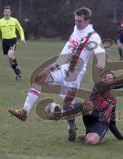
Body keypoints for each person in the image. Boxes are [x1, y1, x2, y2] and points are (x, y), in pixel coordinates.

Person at [8, 7, 106, 141]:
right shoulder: (76, 28)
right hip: (61, 66)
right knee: (39, 77)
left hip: (74, 74)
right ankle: (24, 112)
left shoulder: (93, 36)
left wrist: (101, 63)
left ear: (88, 20)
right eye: (75, 20)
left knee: (67, 104)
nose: (77, 23)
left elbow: (100, 52)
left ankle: (71, 127)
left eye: (80, 21)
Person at [50, 71, 123, 144]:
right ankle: (62, 115)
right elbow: (116, 85)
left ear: (113, 80)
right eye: (104, 77)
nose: (106, 78)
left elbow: (112, 123)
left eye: (109, 77)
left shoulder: (113, 101)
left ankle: (84, 135)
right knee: (87, 104)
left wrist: (121, 138)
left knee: (90, 141)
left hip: (100, 123)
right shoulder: (98, 86)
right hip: (90, 113)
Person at [0, 5, 25, 80]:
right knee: (10, 60)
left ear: (10, 13)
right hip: (4, 41)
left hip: (13, 40)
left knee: (10, 55)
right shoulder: (0, 21)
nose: (7, 13)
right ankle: (18, 72)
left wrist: (22, 38)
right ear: (3, 13)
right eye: (5, 12)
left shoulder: (14, 20)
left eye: (8, 12)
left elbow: (20, 29)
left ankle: (17, 68)